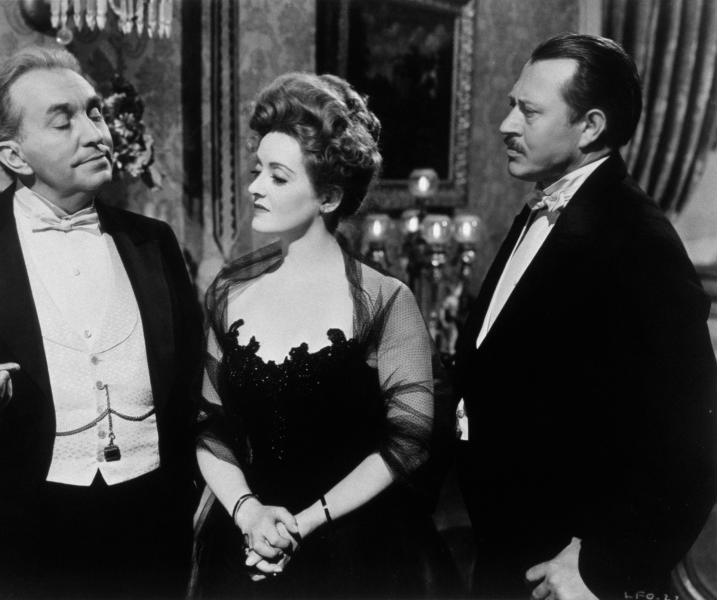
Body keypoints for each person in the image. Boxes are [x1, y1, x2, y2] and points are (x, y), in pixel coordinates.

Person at [453, 32, 717, 599]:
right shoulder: (547, 208)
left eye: (528, 111)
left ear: (590, 126)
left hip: (560, 580)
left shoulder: (639, 242)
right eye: (511, 105)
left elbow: (692, 448)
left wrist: (600, 565)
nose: (505, 125)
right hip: (505, 559)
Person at [0, 46, 202, 599]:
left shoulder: (154, 242)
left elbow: (190, 387)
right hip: (15, 541)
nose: (96, 134)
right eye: (63, 122)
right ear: (14, 155)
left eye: (95, 113)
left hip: (149, 536)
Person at [190, 72, 459, 599]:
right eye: (257, 170)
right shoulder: (228, 289)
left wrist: (304, 523)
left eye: (277, 176)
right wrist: (248, 514)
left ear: (329, 196)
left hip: (355, 548)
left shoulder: (385, 300)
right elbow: (210, 425)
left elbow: (409, 441)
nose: (255, 187)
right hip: (244, 538)